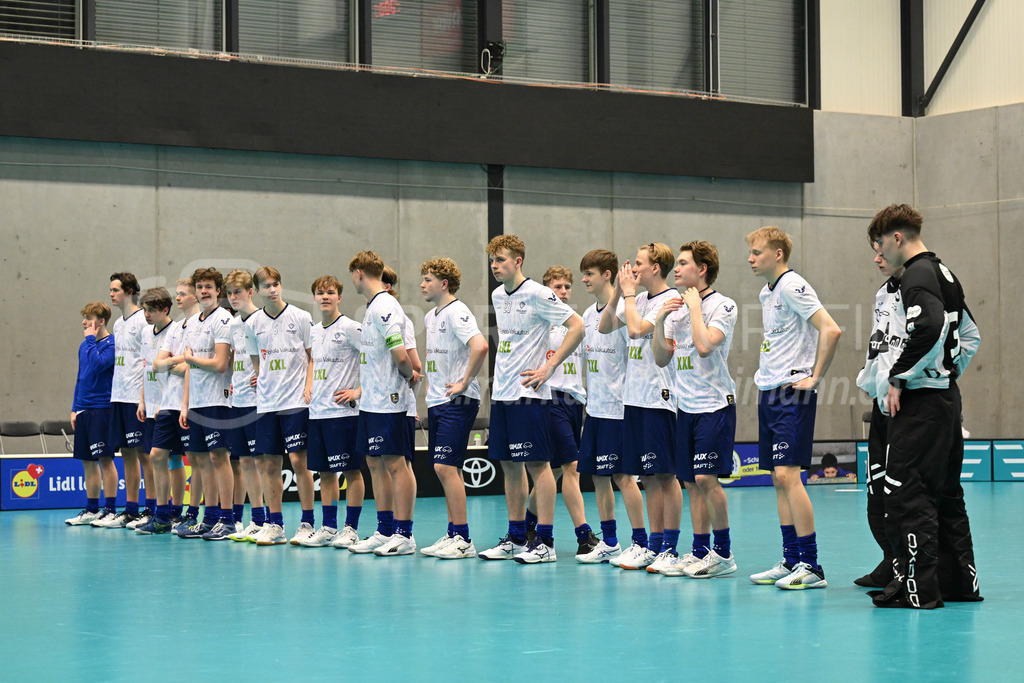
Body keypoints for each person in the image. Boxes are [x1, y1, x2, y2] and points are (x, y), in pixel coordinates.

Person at [866, 203, 982, 609]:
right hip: (945, 400)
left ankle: (917, 592)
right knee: (946, 494)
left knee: (907, 494)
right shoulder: (944, 272)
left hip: (920, 404)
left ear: (897, 238)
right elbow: (970, 336)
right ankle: (959, 584)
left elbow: (929, 325)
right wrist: (945, 374)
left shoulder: (916, 273)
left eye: (880, 244)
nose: (878, 253)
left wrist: (902, 376)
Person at [746, 226, 841, 590]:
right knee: (777, 478)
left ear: (778, 254)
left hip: (792, 393)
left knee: (789, 475)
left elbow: (830, 329)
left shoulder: (792, 286)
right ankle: (790, 560)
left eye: (757, 252)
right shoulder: (766, 293)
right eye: (751, 253)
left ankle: (812, 566)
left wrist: (814, 376)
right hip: (769, 391)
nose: (751, 259)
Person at [479, 235, 584, 564]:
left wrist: (549, 367)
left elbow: (577, 325)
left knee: (540, 467)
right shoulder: (497, 295)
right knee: (510, 466)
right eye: (492, 261)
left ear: (518, 261)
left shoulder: (540, 294)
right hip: (503, 393)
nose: (496, 266)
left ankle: (546, 542)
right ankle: (515, 537)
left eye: (501, 260)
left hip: (530, 395)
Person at [653, 241, 738, 578]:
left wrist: (694, 309)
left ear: (702, 269)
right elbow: (662, 358)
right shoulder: (677, 308)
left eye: (684, 263)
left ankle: (724, 552)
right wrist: (660, 321)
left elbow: (704, 347)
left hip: (715, 405)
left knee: (706, 478)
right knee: (690, 481)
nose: (676, 268)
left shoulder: (723, 305)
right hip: (684, 407)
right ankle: (700, 549)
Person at [598, 242, 678, 572]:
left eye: (640, 263)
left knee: (665, 475)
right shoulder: (638, 298)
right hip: (634, 398)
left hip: (659, 397)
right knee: (647, 474)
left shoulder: (669, 300)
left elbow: (634, 330)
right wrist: (619, 291)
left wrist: (629, 294)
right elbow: (605, 327)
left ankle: (669, 548)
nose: (634, 269)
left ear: (655, 268)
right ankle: (654, 546)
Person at [574, 249, 647, 564]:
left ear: (608, 274)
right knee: (598, 477)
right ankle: (611, 541)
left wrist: (622, 291)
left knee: (623, 477)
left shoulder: (624, 314)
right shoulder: (589, 315)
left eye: (589, 273)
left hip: (619, 409)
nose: (584, 279)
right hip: (595, 409)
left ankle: (641, 541)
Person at [347, 252, 419, 556]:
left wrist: (407, 376)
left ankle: (405, 534)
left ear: (359, 273)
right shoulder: (372, 307)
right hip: (371, 402)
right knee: (375, 462)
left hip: (391, 400)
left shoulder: (386, 305)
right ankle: (385, 528)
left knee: (395, 463)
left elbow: (401, 354)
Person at [523, 266, 598, 558]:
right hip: (550, 400)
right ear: (546, 289)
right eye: (558, 286)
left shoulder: (577, 323)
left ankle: (526, 525)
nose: (564, 291)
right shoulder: (543, 323)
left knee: (553, 471)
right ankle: (584, 536)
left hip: (574, 401)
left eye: (567, 286)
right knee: (572, 468)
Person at [418, 257, 488, 560]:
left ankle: (463, 538)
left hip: (457, 400)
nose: (422, 284)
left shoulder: (457, 312)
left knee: (444, 467)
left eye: (428, 279)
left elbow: (480, 345)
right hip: (437, 400)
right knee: (450, 469)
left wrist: (464, 382)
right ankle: (453, 533)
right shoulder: (430, 316)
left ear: (444, 283)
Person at [245, 266, 314, 546]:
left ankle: (308, 522)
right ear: (257, 291)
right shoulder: (252, 324)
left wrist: (309, 386)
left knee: (299, 461)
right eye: (266, 286)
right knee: (269, 465)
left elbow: (313, 356)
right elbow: (256, 362)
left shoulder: (301, 317)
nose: (272, 289)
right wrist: (259, 377)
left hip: (296, 402)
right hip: (267, 404)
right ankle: (275, 525)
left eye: (276, 284)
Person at [300, 275, 366, 548]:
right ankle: (328, 527)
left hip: (345, 414)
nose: (325, 296)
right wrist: (308, 384)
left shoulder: (351, 327)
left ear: (339, 297)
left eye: (330, 292)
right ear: (314, 298)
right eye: (320, 292)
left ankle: (350, 528)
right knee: (325, 473)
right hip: (318, 413)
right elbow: (313, 359)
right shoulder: (313, 330)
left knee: (351, 471)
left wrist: (358, 391)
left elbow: (374, 357)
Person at [852, 241, 905, 584]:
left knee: (901, 493)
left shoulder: (922, 287)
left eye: (882, 252)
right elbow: (880, 345)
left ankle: (907, 565)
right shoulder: (883, 292)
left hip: (908, 405)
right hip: (882, 404)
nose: (876, 259)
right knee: (876, 490)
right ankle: (890, 560)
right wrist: (872, 384)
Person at [177, 268, 236, 541]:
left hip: (217, 401)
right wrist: (185, 405)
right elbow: (190, 369)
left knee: (218, 459)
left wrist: (192, 360)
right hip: (197, 402)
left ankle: (228, 519)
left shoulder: (223, 319)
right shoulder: (193, 322)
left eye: (209, 286)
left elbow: (221, 364)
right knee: (200, 461)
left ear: (218, 290)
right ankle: (210, 517)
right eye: (200, 286)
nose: (204, 291)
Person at [92, 273, 149, 528]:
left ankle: (152, 508)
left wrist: (142, 399)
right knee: (127, 454)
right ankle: (131, 510)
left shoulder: (143, 321)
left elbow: (147, 363)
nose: (111, 294)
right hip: (118, 396)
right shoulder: (118, 324)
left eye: (115, 289)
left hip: (137, 398)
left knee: (145, 454)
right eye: (110, 289)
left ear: (128, 291)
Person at [222, 270, 268, 542]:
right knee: (244, 462)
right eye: (229, 293)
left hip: (258, 403)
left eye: (238, 292)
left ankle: (269, 521)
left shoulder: (261, 320)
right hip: (236, 401)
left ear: (250, 292)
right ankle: (256, 519)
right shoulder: (233, 324)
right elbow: (232, 361)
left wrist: (263, 375)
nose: (233, 297)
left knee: (260, 462)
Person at [65, 303, 118, 526]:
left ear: (101, 321)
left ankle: (111, 510)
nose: (84, 322)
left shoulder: (112, 344)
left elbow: (97, 366)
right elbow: (81, 377)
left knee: (105, 459)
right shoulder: (83, 346)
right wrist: (75, 408)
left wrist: (90, 340)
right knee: (88, 461)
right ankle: (92, 509)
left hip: (102, 408)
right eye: (84, 318)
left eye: (88, 318)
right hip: (85, 409)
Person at [133, 288, 178, 534]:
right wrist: (142, 401)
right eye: (145, 310)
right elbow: (145, 369)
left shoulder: (176, 332)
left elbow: (178, 370)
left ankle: (174, 512)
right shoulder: (144, 333)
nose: (147, 315)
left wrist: (165, 400)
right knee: (157, 458)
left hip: (169, 406)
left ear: (165, 310)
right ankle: (163, 514)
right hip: (150, 407)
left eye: (151, 310)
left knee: (171, 459)